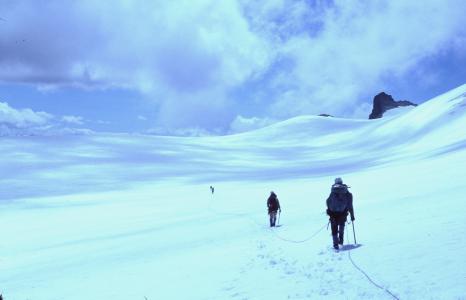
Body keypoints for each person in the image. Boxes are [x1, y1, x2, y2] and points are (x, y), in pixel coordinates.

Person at [326, 177, 355, 250]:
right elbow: (350, 206)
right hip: (343, 214)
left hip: (333, 214)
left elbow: (328, 201)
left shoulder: (333, 190)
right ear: (342, 182)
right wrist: (352, 216)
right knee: (341, 227)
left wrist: (329, 211)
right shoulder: (347, 193)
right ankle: (341, 241)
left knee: (334, 229)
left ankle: (335, 245)